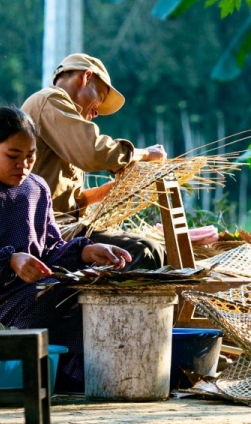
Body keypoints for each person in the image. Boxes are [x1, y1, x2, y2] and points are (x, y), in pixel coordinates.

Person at [0, 106, 132, 391]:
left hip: (28, 291)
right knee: (60, 300)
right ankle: (71, 378)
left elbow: (50, 249)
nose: (24, 166)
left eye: (30, 156)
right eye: (13, 156)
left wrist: (84, 252)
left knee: (92, 292)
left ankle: (80, 377)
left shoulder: (36, 188)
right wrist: (9, 261)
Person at [21, 53, 168, 270]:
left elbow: (67, 201)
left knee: (154, 250)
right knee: (144, 252)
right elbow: (93, 152)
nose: (97, 111)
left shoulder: (62, 120)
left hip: (63, 226)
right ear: (86, 77)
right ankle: (91, 305)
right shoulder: (49, 100)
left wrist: (107, 191)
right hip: (46, 233)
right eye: (100, 96)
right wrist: (144, 154)